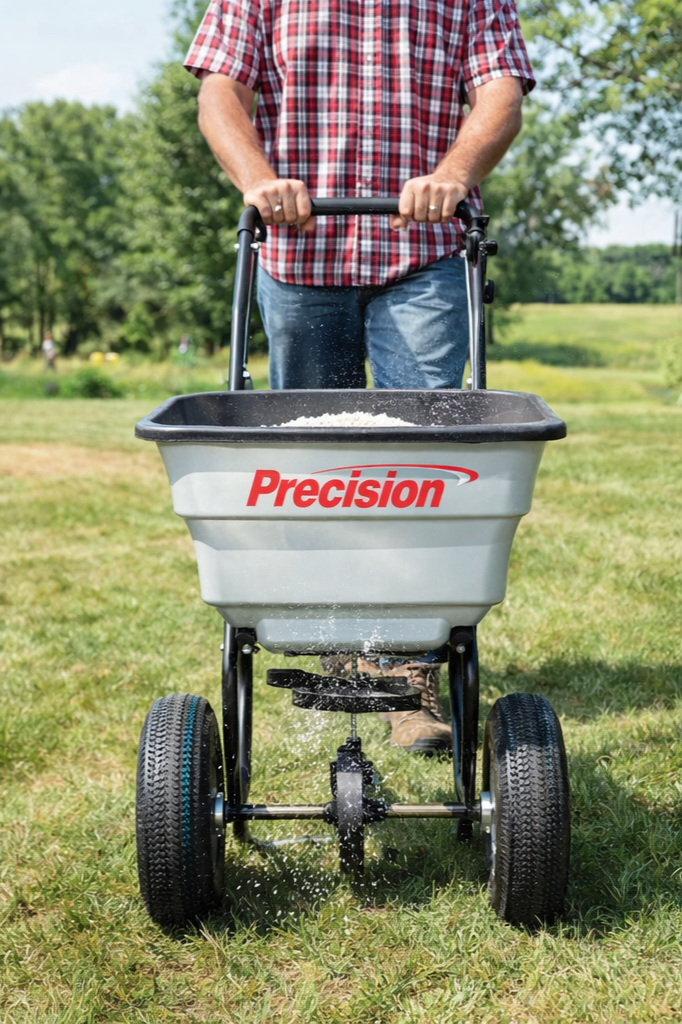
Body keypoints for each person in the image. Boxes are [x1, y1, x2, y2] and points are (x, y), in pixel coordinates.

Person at [184, 0, 535, 755]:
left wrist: (453, 174)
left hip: (425, 252)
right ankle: (336, 640)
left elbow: (501, 94)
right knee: (311, 465)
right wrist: (258, 180)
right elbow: (220, 92)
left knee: (424, 456)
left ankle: (408, 668)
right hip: (299, 254)